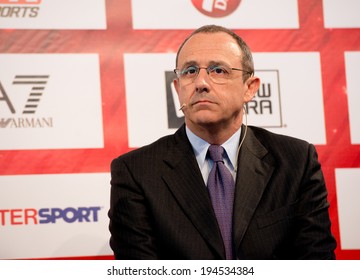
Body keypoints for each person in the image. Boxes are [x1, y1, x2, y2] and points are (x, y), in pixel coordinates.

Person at [108, 25, 337, 259]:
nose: (201, 83)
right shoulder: (136, 171)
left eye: (218, 70)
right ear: (178, 89)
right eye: (189, 71)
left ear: (249, 88)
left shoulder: (296, 161)